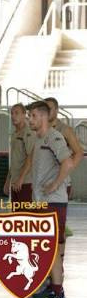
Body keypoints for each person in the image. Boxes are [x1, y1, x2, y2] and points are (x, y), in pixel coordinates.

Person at [24, 101, 74, 298]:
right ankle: (52, 289)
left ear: (43, 117)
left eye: (33, 116)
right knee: (47, 250)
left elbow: (68, 162)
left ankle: (59, 294)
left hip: (53, 204)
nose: (30, 120)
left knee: (52, 250)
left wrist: (54, 184)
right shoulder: (38, 139)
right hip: (41, 203)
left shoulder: (54, 137)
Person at [45, 97, 83, 238]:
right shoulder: (41, 130)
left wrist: (68, 168)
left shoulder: (65, 129)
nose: (47, 111)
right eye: (45, 108)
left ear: (57, 110)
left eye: (50, 108)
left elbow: (78, 152)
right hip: (42, 181)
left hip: (60, 181)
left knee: (57, 227)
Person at [4, 103, 35, 204]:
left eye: (16, 113)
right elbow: (14, 160)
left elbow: (31, 157)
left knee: (26, 217)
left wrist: (21, 179)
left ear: (24, 114)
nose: (13, 116)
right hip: (15, 182)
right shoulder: (14, 134)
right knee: (17, 217)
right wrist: (8, 180)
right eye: (12, 113)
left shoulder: (28, 133)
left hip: (26, 182)